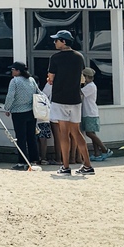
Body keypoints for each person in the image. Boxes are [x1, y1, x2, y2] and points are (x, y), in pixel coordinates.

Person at [45, 28, 94, 177]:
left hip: (60, 98)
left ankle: (65, 167)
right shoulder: (79, 57)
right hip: (75, 99)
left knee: (63, 133)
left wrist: (50, 79)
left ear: (63, 42)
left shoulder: (55, 58)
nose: (54, 42)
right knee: (77, 132)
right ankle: (87, 164)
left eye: (57, 40)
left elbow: (50, 79)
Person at [4, 61, 40, 169]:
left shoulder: (14, 81)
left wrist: (7, 108)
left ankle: (22, 161)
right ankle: (34, 159)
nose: (11, 71)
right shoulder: (31, 80)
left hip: (18, 112)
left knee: (21, 137)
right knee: (31, 136)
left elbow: (10, 96)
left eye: (13, 69)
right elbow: (38, 92)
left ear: (18, 71)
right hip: (31, 111)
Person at [81, 67, 107, 157]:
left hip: (90, 113)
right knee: (92, 133)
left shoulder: (90, 86)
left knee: (89, 133)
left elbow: (79, 93)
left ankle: (104, 149)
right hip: (88, 112)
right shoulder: (88, 86)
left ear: (87, 77)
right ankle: (97, 153)